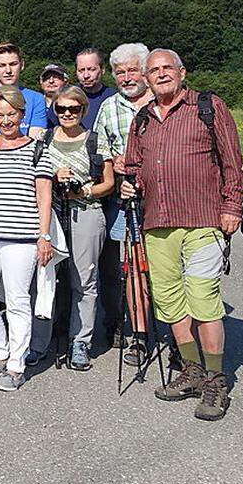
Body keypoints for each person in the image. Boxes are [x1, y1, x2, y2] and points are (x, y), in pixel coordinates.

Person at [123, 48, 243, 422]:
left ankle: (216, 380)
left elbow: (231, 161)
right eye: (153, 70)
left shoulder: (208, 107)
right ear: (145, 78)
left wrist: (232, 206)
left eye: (166, 68)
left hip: (203, 218)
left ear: (181, 71)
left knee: (204, 297)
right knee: (169, 299)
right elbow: (134, 166)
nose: (160, 74)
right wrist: (131, 185)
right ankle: (191, 371)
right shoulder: (142, 119)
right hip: (158, 221)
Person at [0, 86, 55, 392]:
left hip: (22, 237)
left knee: (19, 301)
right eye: (0, 114)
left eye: (12, 114)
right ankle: (0, 351)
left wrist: (44, 236)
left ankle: (17, 364)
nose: (6, 120)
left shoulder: (37, 149)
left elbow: (44, 196)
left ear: (22, 114)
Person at [26, 86, 114, 371]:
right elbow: (30, 174)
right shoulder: (43, 138)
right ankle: (38, 343)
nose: (67, 114)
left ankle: (81, 341)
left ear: (83, 111)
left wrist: (83, 190)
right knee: (44, 278)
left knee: (84, 280)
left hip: (85, 213)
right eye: (61, 109)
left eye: (73, 109)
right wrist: (52, 175)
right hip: (49, 214)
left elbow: (108, 183)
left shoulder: (95, 141)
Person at [91, 43, 152, 358]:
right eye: (120, 72)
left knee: (166, 268)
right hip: (123, 197)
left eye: (132, 70)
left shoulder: (162, 102)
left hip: (163, 200)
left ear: (144, 70)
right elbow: (99, 148)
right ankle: (139, 334)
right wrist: (112, 162)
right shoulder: (110, 106)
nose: (127, 77)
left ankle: (180, 337)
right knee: (131, 267)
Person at [76, 48, 115, 130]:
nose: (86, 75)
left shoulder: (114, 98)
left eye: (91, 69)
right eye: (81, 70)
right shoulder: (66, 96)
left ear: (102, 70)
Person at [39, 64, 69, 129]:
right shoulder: (34, 104)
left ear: (66, 81)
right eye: (47, 78)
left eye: (56, 77)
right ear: (41, 82)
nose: (51, 81)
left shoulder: (73, 105)